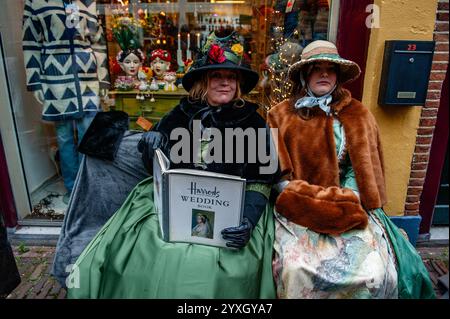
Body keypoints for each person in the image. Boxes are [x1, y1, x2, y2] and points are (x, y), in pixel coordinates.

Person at [66, 32, 277, 298]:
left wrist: (247, 220)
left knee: (211, 263)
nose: (225, 82)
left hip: (235, 209)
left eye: (232, 77)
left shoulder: (253, 122)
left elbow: (262, 180)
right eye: (216, 76)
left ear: (239, 84)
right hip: (178, 202)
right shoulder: (182, 112)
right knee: (150, 248)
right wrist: (152, 142)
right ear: (204, 81)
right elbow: (154, 167)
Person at [267, 40, 435, 299]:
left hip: (350, 207)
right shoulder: (279, 115)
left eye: (330, 69)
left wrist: (345, 201)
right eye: (316, 68)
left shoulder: (358, 115)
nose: (324, 74)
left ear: (338, 76)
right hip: (297, 208)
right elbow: (279, 176)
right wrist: (311, 203)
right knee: (295, 269)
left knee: (375, 271)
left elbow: (362, 173)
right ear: (304, 74)